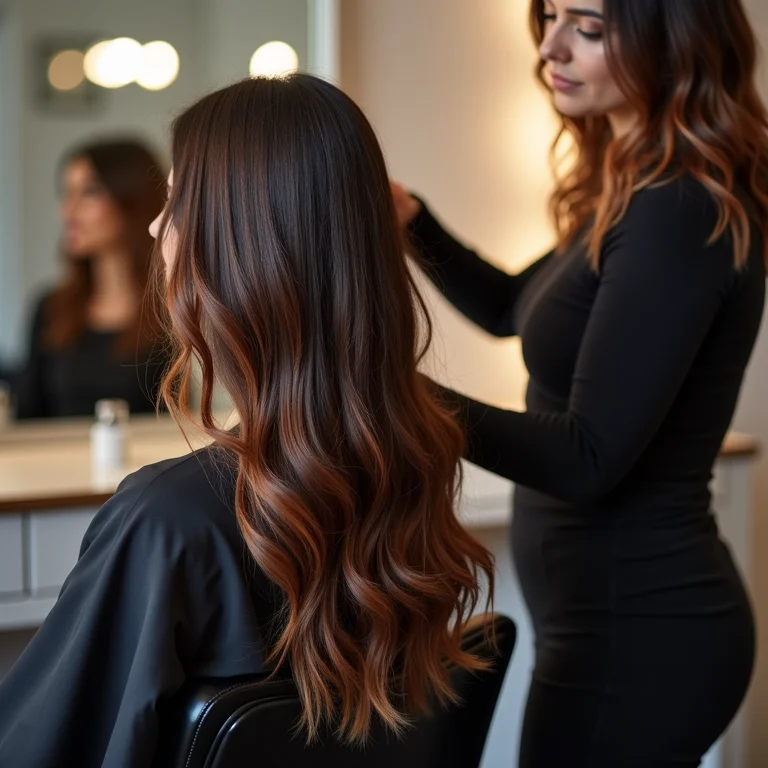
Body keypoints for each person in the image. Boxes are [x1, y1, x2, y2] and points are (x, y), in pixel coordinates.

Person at [0, 75, 495, 768]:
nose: (154, 228)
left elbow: (39, 745)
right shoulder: (412, 470)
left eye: (174, 203)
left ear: (237, 245)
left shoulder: (168, 519)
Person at [391, 0, 767, 765]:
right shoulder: (630, 187)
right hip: (604, 629)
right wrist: (410, 221)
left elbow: (585, 456)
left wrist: (386, 392)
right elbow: (509, 310)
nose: (550, 48)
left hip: (641, 638)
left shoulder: (678, 208)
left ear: (677, 44)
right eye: (551, 16)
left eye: (589, 29)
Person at [13, 139, 168, 419]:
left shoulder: (171, 310)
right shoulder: (52, 307)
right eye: (66, 194)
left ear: (131, 199)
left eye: (89, 193)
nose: (67, 212)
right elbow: (27, 414)